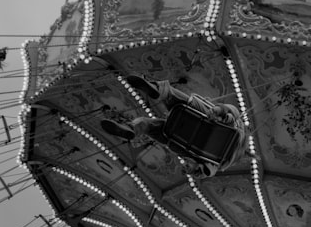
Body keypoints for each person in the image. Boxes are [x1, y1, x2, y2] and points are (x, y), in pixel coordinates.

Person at [101, 75, 248, 178]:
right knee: (151, 127)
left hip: (199, 123)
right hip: (181, 140)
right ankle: (133, 130)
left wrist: (218, 110)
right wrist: (194, 168)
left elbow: (231, 111)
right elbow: (206, 171)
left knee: (174, 98)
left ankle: (158, 90)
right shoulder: (218, 162)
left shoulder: (236, 131)